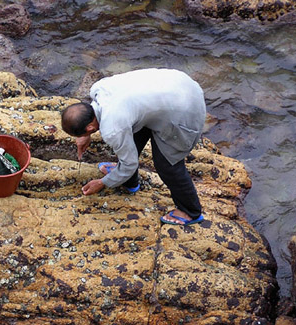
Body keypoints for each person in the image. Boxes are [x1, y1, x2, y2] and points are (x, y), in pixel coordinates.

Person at [61, 68, 206, 226]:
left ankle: (190, 211)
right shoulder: (98, 89)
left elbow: (130, 163)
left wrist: (103, 182)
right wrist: (85, 136)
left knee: (167, 165)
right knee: (131, 133)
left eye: (81, 134)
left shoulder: (113, 127)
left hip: (185, 108)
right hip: (176, 84)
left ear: (89, 128)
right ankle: (129, 181)